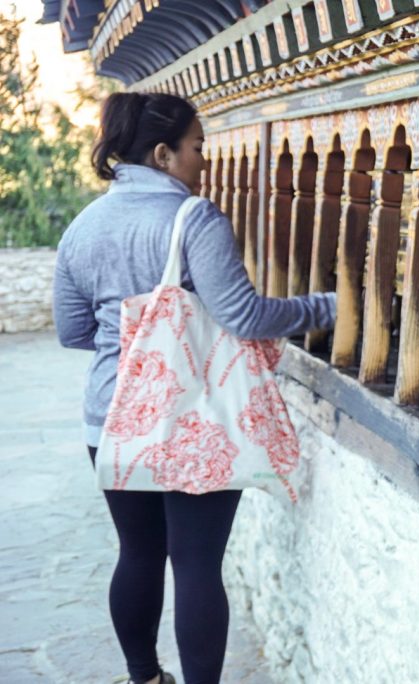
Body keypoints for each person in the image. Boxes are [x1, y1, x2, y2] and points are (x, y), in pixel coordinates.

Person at [52, 92, 336, 684]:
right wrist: (333, 307)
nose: (203, 160)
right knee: (197, 563)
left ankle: (144, 678)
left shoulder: (82, 227)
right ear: (163, 154)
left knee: (137, 553)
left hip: (109, 420)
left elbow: (72, 331)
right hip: (190, 422)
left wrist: (129, 339)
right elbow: (245, 317)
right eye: (198, 148)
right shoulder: (192, 219)